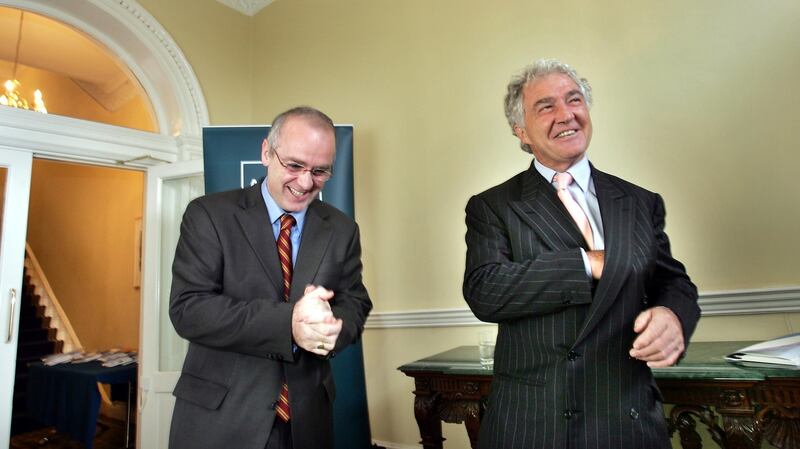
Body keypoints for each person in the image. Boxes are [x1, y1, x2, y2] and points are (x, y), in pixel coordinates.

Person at [462, 59, 700, 449]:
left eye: (574, 100)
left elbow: (673, 283)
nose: (566, 114)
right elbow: (485, 291)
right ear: (520, 130)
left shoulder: (640, 202)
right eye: (546, 106)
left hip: (627, 418)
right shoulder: (493, 206)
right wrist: (586, 263)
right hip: (535, 423)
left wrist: (673, 315)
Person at [168, 106, 372, 449]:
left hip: (308, 422)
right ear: (266, 152)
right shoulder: (209, 215)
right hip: (221, 419)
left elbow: (355, 300)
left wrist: (335, 328)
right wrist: (289, 322)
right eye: (294, 165)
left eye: (320, 172)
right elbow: (189, 310)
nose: (306, 183)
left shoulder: (341, 228)